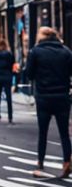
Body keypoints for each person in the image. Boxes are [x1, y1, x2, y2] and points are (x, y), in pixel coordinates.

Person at [23, 26, 72, 178]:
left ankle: (40, 162)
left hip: (43, 97)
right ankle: (66, 162)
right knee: (64, 133)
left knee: (42, 132)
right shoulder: (66, 51)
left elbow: (29, 75)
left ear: (42, 36)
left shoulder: (35, 52)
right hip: (62, 96)